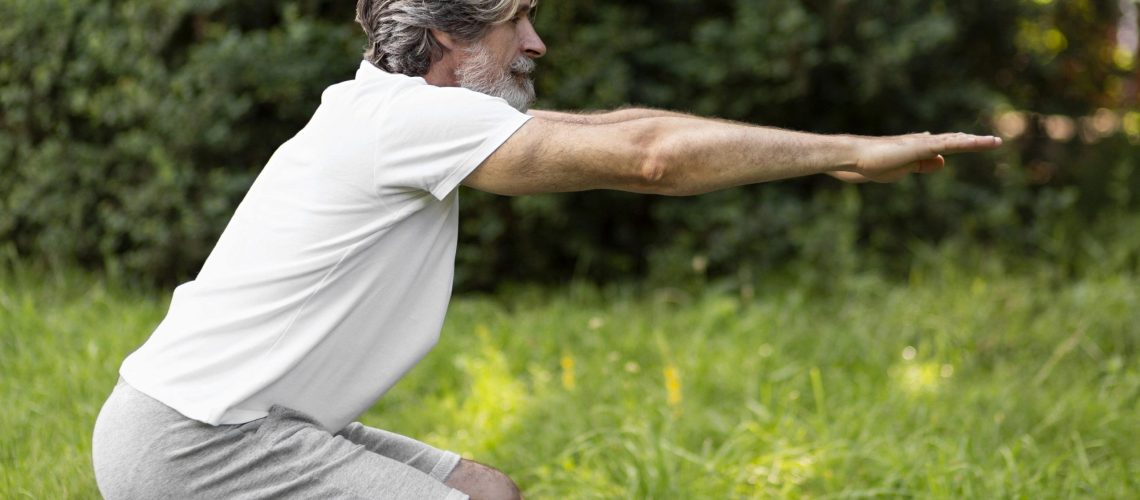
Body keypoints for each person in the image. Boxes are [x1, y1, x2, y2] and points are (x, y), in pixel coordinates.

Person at [91, 0, 1002, 498]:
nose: (537, 39)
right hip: (197, 444)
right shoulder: (404, 126)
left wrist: (815, 161)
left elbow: (623, 127)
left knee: (487, 493)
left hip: (238, 424)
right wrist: (849, 151)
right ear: (450, 34)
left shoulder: (396, 111)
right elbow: (649, 160)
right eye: (517, 18)